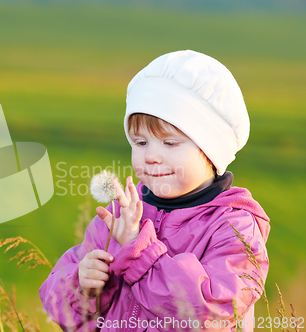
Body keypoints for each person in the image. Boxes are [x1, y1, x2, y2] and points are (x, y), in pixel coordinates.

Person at [39, 50, 270, 331]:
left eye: (170, 144)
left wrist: (140, 254)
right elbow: (58, 310)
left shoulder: (233, 227)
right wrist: (82, 286)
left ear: (212, 151)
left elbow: (210, 313)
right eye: (140, 142)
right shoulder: (120, 215)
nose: (150, 157)